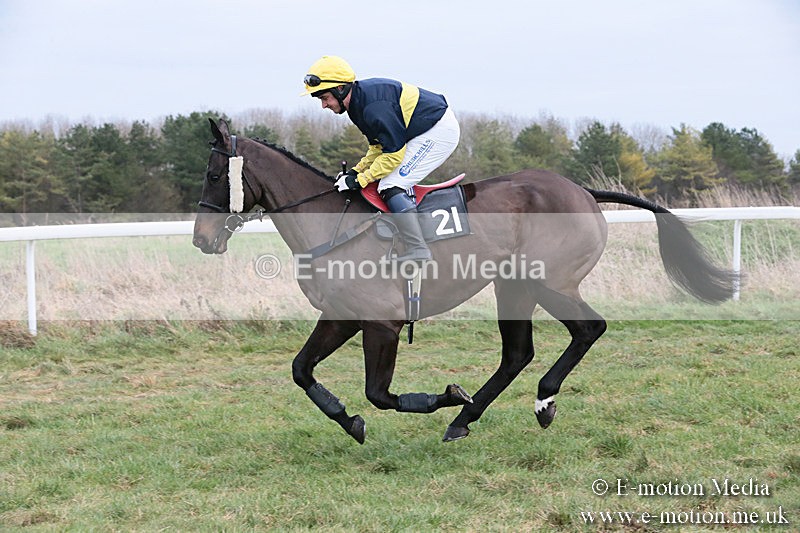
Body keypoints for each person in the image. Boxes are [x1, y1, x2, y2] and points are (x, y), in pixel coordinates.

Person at [302, 55, 460, 262]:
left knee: (390, 184)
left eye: (324, 98)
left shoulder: (372, 108)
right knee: (381, 179)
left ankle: (418, 248)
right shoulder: (357, 105)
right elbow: (377, 148)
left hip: (438, 131)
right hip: (420, 130)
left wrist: (360, 180)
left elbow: (393, 155)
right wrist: (355, 172)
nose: (323, 105)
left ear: (340, 89)